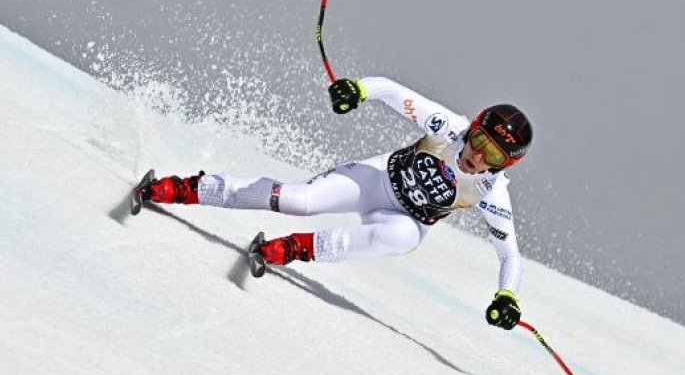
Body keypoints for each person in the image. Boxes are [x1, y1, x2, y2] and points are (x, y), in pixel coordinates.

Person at [139, 77, 532, 330]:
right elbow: (390, 90)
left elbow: (509, 256)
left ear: (505, 165)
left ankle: (294, 248)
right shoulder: (446, 126)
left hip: (404, 219)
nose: (477, 157)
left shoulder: (492, 195)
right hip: (374, 181)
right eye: (479, 141)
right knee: (298, 200)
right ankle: (182, 189)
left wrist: (506, 296)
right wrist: (357, 90)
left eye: (492, 157)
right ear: (473, 127)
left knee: (404, 237)